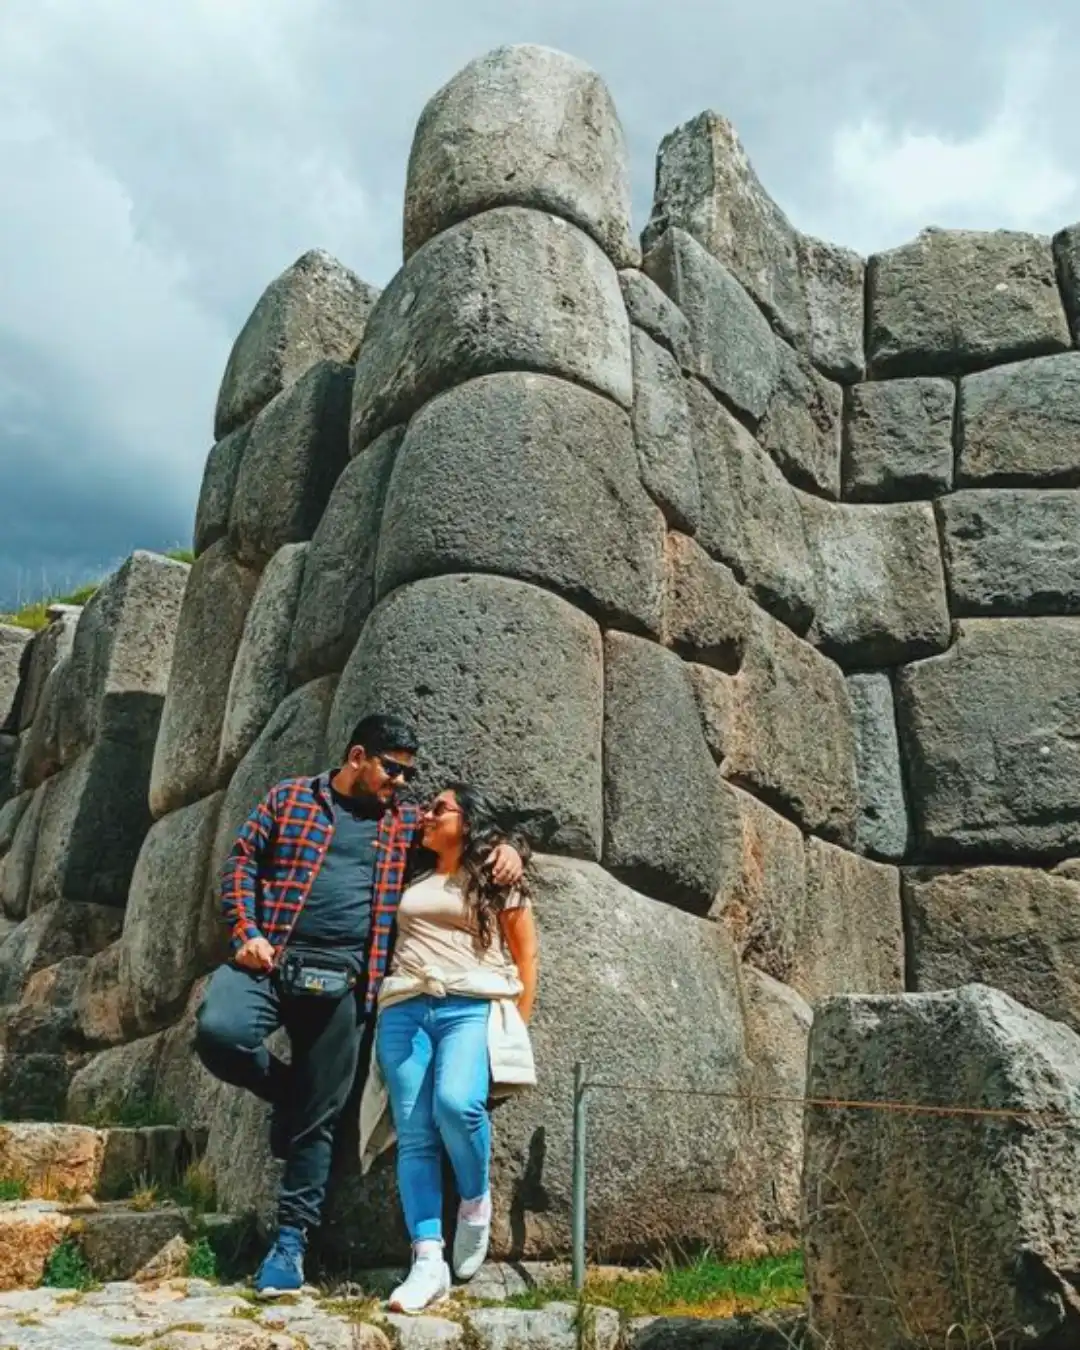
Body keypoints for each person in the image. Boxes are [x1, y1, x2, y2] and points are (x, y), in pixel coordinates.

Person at [193, 714, 525, 1298]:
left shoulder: (402, 826)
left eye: (408, 773)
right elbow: (242, 860)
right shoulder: (290, 798)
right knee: (220, 1034)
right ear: (356, 757)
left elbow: (468, 838)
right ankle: (291, 1094)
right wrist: (245, 931)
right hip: (271, 958)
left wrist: (510, 849)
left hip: (348, 984)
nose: (402, 784)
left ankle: (290, 1244)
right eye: (392, 769)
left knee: (322, 1120)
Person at [360, 783, 540, 1315]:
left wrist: (517, 1025)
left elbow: (526, 957)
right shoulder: (408, 874)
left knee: (458, 1105)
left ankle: (475, 1202)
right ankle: (426, 1260)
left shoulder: (495, 877)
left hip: (470, 1005)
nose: (428, 815)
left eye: (439, 808)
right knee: (413, 1132)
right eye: (427, 808)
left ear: (468, 820)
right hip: (405, 1006)